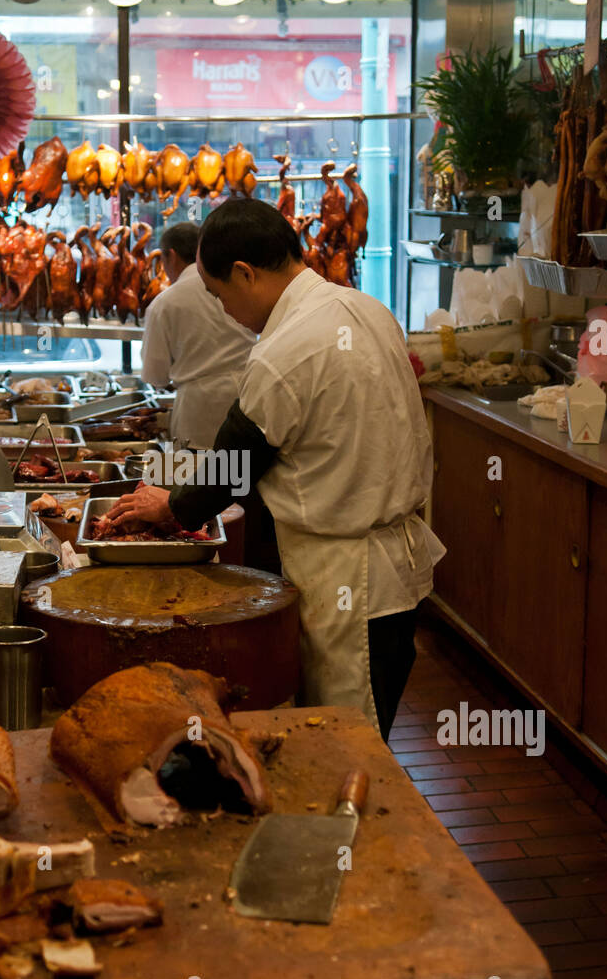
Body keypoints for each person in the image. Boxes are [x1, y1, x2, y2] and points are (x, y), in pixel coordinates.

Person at [109, 198, 446, 740]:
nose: (223, 312)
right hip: (395, 568)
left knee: (346, 738)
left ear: (244, 273)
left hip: (347, 576)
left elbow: (233, 468)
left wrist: (170, 506)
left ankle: (351, 823)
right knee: (370, 726)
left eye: (219, 296)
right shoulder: (366, 308)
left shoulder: (286, 350)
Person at [139, 221, 257, 450]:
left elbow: (155, 376)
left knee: (202, 480)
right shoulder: (237, 286)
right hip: (248, 398)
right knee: (242, 476)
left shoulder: (165, 303)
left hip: (199, 411)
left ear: (171, 256)